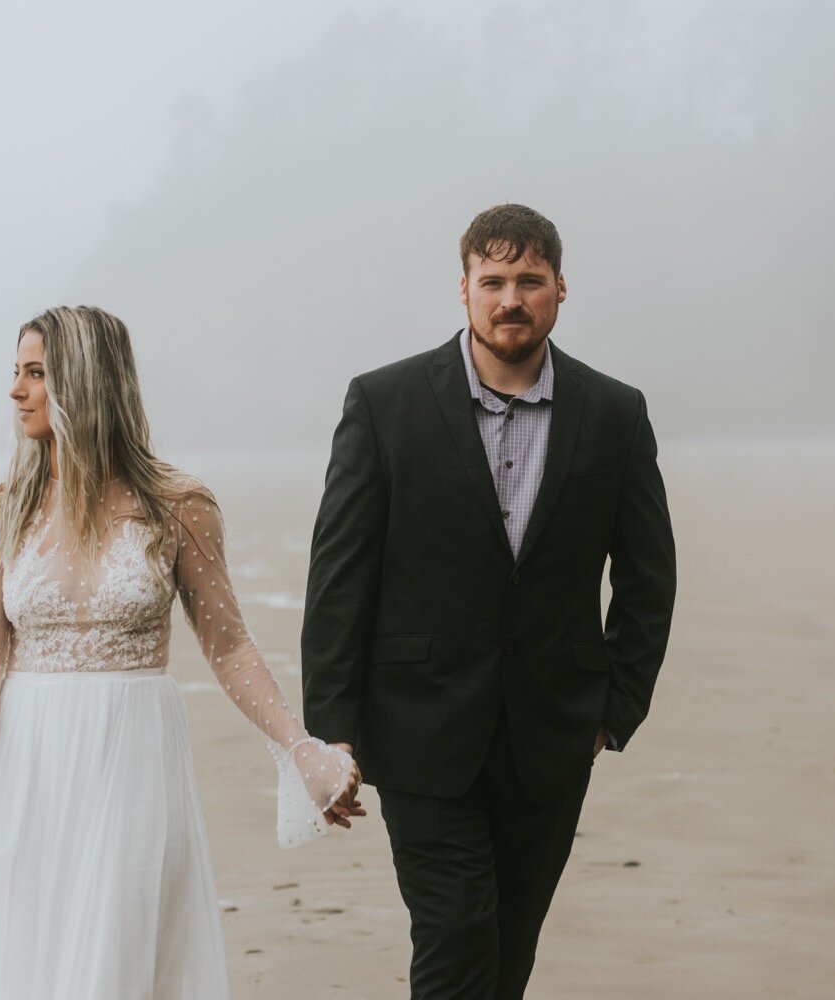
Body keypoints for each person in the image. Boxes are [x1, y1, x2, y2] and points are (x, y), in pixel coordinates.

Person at [0, 305, 363, 1000]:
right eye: (16, 373)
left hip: (132, 765)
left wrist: (301, 750)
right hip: (23, 771)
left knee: (118, 963)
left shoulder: (177, 505)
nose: (16, 391)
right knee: (23, 967)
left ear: (84, 383)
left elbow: (229, 641)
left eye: (36, 374)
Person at [302, 204, 677, 999]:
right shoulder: (384, 403)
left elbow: (649, 578)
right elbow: (340, 579)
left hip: (554, 729)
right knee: (456, 926)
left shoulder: (614, 414)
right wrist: (327, 737)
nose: (512, 298)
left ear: (560, 289)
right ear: (464, 289)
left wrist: (617, 706)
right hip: (416, 725)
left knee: (507, 948)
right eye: (495, 280)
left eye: (530, 281)